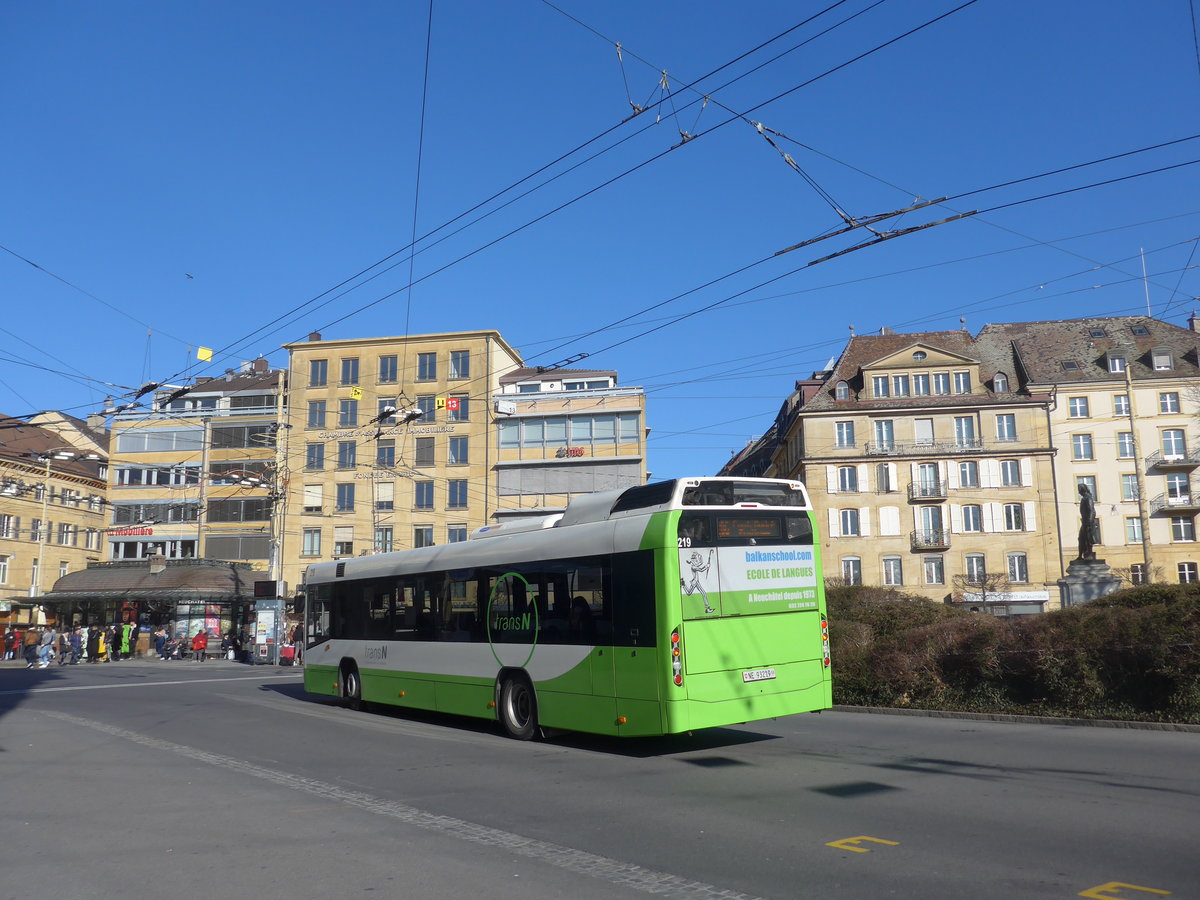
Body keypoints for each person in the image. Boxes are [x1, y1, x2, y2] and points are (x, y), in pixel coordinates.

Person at [1077, 484, 1101, 560]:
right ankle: (1081, 556)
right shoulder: (1084, 498)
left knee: (1088, 539)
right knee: (1081, 539)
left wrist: (1089, 523)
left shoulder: (1088, 498)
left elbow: (1092, 511)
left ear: (1082, 490)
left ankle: (1089, 554)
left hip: (1088, 522)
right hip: (1084, 522)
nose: (1078, 492)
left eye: (1079, 490)